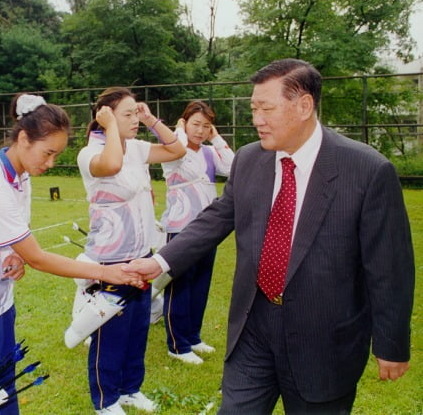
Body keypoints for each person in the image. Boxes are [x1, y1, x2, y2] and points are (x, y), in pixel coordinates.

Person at [124, 59, 414, 414]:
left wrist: (392, 345)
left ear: (304, 106)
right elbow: (217, 217)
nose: (256, 119)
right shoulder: (249, 160)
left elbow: (389, 266)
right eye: (253, 108)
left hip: (323, 340)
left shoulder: (366, 170)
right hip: (253, 327)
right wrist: (160, 261)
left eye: (266, 109)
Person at [0, 93, 141, 415]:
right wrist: (108, 272)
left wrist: (14, 255)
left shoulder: (20, 177)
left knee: (2, 386)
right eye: (48, 153)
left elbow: (11, 240)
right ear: (23, 138)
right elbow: (39, 256)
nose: (50, 163)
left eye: (56, 155)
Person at [76, 87, 186, 415]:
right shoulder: (91, 153)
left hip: (142, 254)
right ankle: (105, 400)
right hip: (110, 259)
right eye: (127, 114)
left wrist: (151, 118)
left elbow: (177, 149)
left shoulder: (137, 148)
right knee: (111, 332)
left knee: (137, 329)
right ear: (105, 117)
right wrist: (110, 127)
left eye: (135, 113)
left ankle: (129, 389)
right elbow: (110, 165)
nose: (134, 120)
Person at [159, 101, 234, 365]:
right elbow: (178, 152)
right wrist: (178, 130)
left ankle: (193, 336)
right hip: (180, 228)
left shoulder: (208, 153)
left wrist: (215, 138)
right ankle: (177, 345)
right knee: (180, 288)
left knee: (200, 286)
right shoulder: (172, 150)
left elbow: (233, 167)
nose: (200, 131)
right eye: (195, 124)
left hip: (207, 229)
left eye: (206, 126)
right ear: (184, 123)